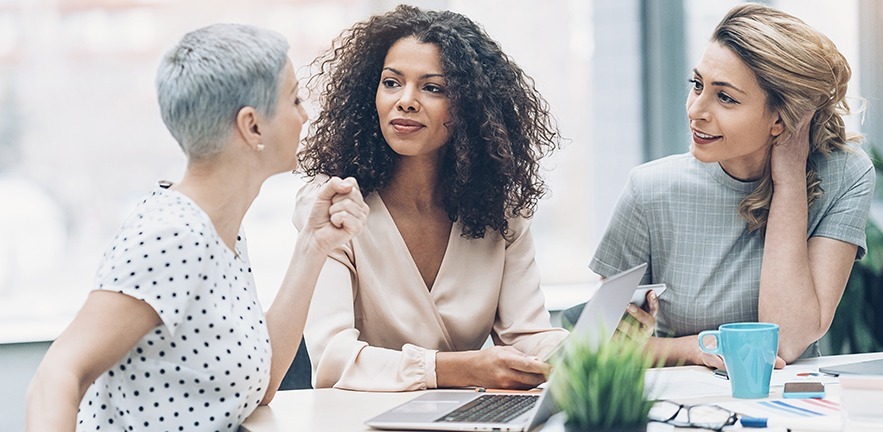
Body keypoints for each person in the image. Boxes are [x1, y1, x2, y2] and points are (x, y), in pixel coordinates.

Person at [25, 23, 368, 431]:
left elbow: (260, 383)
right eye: (294, 99)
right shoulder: (172, 235)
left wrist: (313, 244)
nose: (305, 114)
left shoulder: (221, 230)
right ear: (252, 126)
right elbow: (57, 375)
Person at [578, 3, 874, 369]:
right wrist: (689, 349)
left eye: (725, 97)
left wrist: (790, 181)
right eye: (697, 85)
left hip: (790, 405)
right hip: (683, 403)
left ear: (780, 120)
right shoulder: (651, 190)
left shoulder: (845, 174)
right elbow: (596, 344)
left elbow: (786, 339)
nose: (695, 110)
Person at [294, 4, 568, 392]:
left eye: (433, 88)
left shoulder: (500, 209)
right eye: (391, 82)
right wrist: (457, 370)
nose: (405, 100)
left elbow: (528, 337)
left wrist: (592, 349)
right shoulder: (333, 203)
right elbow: (333, 359)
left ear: (472, 107)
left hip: (469, 418)